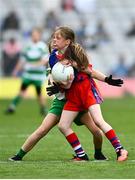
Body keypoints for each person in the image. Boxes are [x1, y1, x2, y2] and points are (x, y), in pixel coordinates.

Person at [48, 26, 128, 162]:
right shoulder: (53, 57)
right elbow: (63, 81)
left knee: (98, 121)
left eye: (58, 37)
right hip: (72, 95)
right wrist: (58, 88)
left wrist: (107, 80)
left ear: (67, 41)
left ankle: (120, 149)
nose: (54, 40)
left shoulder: (76, 51)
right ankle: (81, 155)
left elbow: (90, 71)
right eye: (54, 37)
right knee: (63, 126)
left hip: (86, 91)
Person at [5, 27, 49, 116]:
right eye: (33, 35)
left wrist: (36, 64)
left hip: (38, 74)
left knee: (39, 93)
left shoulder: (42, 46)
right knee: (22, 90)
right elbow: (22, 60)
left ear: (39, 36)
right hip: (28, 74)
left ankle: (43, 109)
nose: (34, 36)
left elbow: (45, 60)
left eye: (36, 35)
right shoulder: (27, 46)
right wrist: (16, 70)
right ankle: (12, 106)